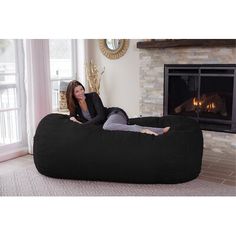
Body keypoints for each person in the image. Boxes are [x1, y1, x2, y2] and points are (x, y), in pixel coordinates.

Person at [66, 80, 170, 136]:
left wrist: (84, 125)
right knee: (108, 126)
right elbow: (72, 117)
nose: (81, 92)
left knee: (107, 126)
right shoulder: (75, 105)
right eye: (77, 91)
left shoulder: (93, 96)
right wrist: (73, 119)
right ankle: (159, 130)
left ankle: (146, 129)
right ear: (72, 94)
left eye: (81, 89)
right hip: (109, 122)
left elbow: (101, 116)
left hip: (115, 114)